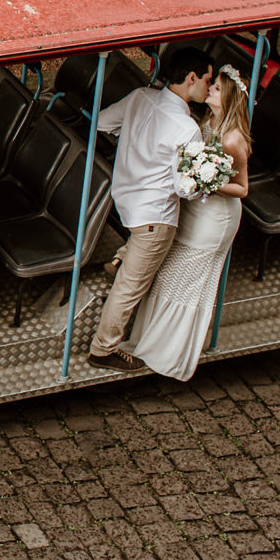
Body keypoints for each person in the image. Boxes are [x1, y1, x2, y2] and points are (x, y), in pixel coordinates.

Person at [85, 46, 215, 373]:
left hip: (126, 200)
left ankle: (123, 258)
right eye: (208, 81)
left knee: (137, 258)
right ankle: (103, 349)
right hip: (155, 217)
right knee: (129, 289)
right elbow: (184, 188)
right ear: (191, 78)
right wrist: (207, 176)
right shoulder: (188, 129)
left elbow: (102, 123)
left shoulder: (141, 96)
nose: (209, 88)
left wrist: (130, 136)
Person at [130, 65, 252, 380]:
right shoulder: (205, 121)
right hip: (195, 210)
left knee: (185, 283)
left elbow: (242, 188)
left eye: (216, 87)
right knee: (168, 278)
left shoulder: (233, 137)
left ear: (227, 96)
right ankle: (149, 342)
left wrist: (206, 181)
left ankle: (168, 356)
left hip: (215, 219)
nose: (209, 88)